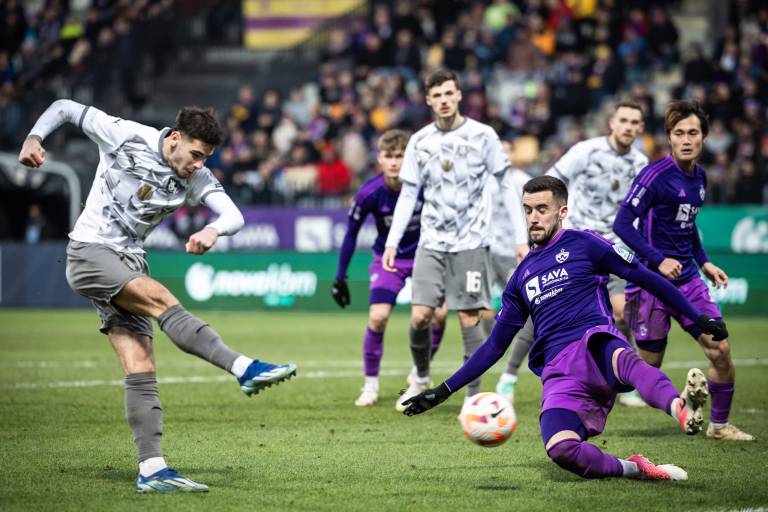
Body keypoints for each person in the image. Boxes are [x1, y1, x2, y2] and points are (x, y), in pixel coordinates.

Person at [18, 100, 298, 493]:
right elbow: (65, 107)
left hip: (130, 260)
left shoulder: (195, 176)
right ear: (175, 138)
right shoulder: (126, 135)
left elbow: (233, 216)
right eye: (196, 154)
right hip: (90, 252)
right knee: (162, 300)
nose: (199, 164)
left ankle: (151, 469)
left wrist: (213, 231)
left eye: (206, 158)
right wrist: (34, 137)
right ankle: (243, 368)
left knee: (141, 363)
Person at [402, 175, 730, 481]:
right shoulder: (520, 277)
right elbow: (493, 347)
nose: (533, 218)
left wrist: (696, 316)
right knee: (560, 448)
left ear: (562, 212)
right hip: (558, 371)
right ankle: (636, 469)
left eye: (542, 209)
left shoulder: (586, 244)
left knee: (627, 362)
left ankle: (680, 408)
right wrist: (442, 391)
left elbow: (647, 278)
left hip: (594, 342)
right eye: (528, 210)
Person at [382, 69, 528, 411]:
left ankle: (472, 396)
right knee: (420, 316)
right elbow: (408, 195)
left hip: (471, 242)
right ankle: (420, 376)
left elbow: (506, 186)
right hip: (431, 242)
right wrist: (392, 242)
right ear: (428, 100)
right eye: (437, 95)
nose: (444, 100)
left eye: (449, 93)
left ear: (459, 95)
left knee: (470, 317)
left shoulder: (483, 135)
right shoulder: (420, 141)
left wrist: (520, 239)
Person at [613, 100, 754, 441]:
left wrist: (704, 261)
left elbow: (688, 226)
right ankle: (599, 386)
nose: (686, 140)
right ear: (670, 138)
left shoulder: (700, 178)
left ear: (704, 137)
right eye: (679, 133)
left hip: (688, 279)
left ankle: (718, 426)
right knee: (648, 369)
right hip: (649, 282)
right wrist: (657, 259)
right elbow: (622, 223)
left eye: (693, 133)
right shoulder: (654, 175)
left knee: (720, 348)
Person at [542, 100, 649, 408]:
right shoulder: (586, 151)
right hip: (578, 247)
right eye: (623, 120)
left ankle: (626, 377)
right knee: (566, 316)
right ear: (612, 122)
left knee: (622, 312)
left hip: (616, 248)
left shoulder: (641, 164)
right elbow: (551, 182)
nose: (628, 127)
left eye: (634, 122)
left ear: (640, 128)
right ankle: (541, 377)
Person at [331, 129, 448, 407]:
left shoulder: (427, 187)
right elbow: (351, 233)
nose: (394, 162)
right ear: (380, 159)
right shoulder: (369, 192)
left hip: (426, 257)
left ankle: (419, 372)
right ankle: (370, 385)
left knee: (439, 316)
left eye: (400, 156)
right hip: (389, 259)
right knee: (378, 317)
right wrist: (340, 277)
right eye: (389, 156)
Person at [483, 140, 534, 409]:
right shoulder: (482, 180)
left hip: (515, 254)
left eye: (507, 151)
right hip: (484, 253)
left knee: (531, 311)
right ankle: (492, 349)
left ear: (514, 154)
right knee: (481, 309)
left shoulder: (523, 181)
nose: (503, 156)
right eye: (498, 151)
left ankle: (509, 374)